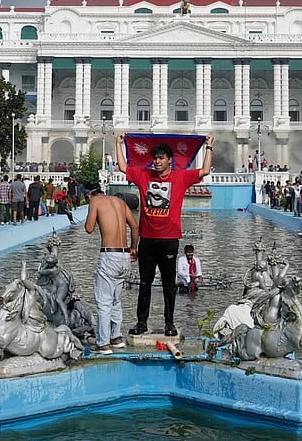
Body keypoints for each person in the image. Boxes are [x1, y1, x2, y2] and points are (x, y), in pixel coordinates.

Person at [116, 132, 213, 337]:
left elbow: (205, 170)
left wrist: (209, 146)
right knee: (145, 284)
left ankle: (169, 323)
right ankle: (141, 322)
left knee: (169, 285)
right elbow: (123, 167)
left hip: (169, 240)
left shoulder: (180, 177)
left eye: (161, 158)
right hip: (147, 240)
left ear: (170, 160)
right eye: (155, 158)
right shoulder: (144, 175)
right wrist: (119, 143)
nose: (157, 162)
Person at [84, 184, 139, 354]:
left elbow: (89, 228)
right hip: (124, 256)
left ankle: (103, 344)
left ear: (89, 195)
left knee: (103, 302)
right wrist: (133, 248)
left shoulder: (95, 201)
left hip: (109, 255)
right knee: (116, 299)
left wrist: (91, 211)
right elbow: (135, 226)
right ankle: (116, 338)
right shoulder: (120, 201)